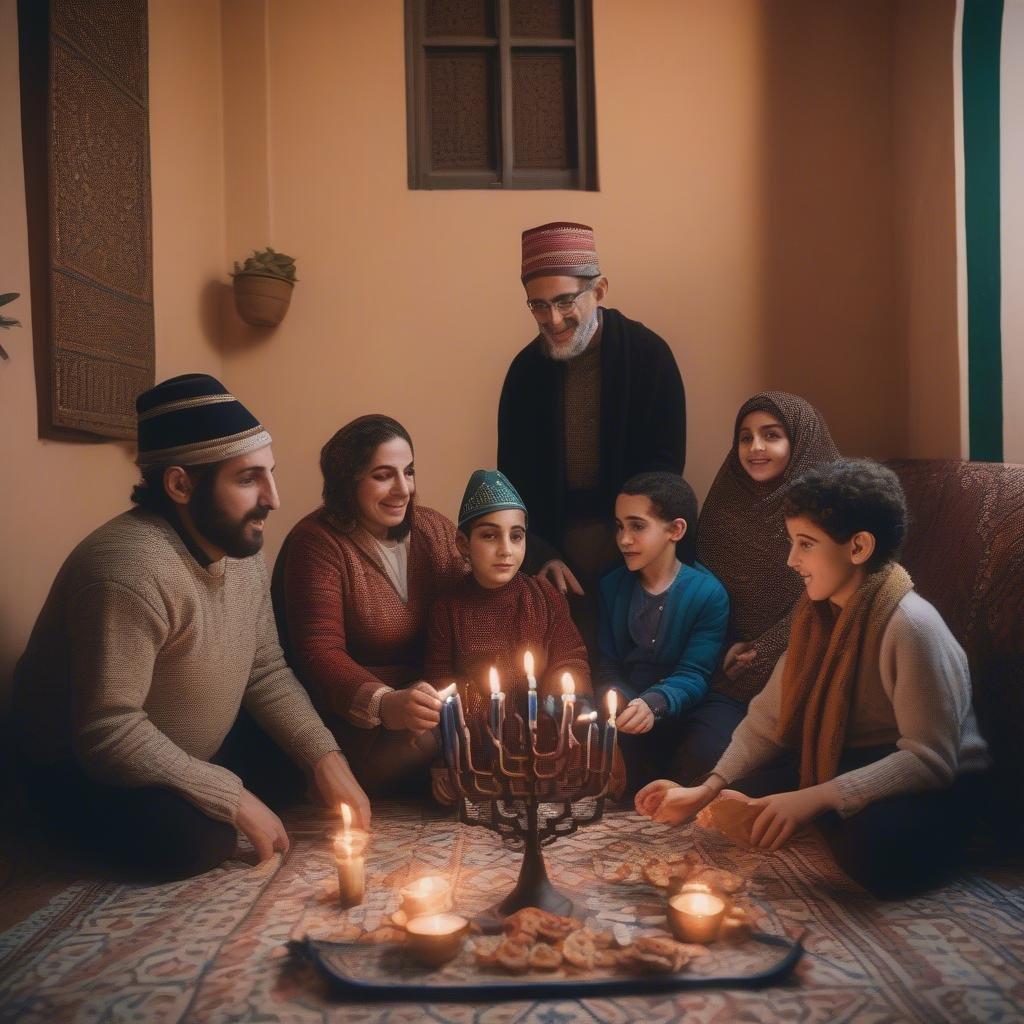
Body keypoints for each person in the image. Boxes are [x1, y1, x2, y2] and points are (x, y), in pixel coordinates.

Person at [12, 374, 369, 880]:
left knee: (319, 756)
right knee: (193, 841)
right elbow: (107, 731)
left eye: (271, 474)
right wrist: (233, 798)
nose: (274, 498)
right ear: (180, 485)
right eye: (248, 480)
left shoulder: (242, 544)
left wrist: (325, 758)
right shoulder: (126, 568)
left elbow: (264, 670)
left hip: (193, 746)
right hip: (88, 773)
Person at [637, 460, 991, 898]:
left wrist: (814, 798)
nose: (792, 560)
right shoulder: (816, 616)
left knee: (875, 854)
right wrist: (706, 788)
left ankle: (831, 816)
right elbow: (769, 718)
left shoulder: (911, 624)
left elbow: (930, 760)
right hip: (848, 755)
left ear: (858, 547)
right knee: (730, 799)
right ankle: (822, 810)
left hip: (935, 781)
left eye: (805, 544)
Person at [498, 222, 686, 649]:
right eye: (538, 305)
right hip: (553, 541)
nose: (553, 318)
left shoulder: (648, 356)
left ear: (599, 290)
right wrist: (541, 553)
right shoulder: (525, 372)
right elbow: (512, 481)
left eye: (565, 301)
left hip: (637, 536)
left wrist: (631, 541)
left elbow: (666, 470)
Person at [274, 415, 464, 795]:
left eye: (408, 472)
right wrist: (387, 704)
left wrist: (542, 562)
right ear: (349, 480)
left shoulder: (433, 529)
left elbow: (478, 588)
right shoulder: (317, 543)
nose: (402, 489)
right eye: (383, 475)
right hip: (358, 724)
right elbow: (319, 653)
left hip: (431, 702)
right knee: (454, 735)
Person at [692, 391, 839, 773]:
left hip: (807, 668)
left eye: (771, 435)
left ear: (800, 440)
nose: (756, 447)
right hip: (732, 674)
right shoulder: (725, 504)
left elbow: (829, 594)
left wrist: (767, 648)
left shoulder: (832, 507)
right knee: (699, 762)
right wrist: (728, 643)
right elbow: (704, 588)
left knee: (776, 773)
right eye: (746, 437)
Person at [594, 473, 729, 793]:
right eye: (619, 526)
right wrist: (625, 703)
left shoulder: (707, 593)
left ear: (675, 530)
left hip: (681, 705)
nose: (624, 539)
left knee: (708, 750)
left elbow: (695, 673)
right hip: (628, 704)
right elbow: (607, 664)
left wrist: (655, 703)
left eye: (637, 526)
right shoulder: (611, 586)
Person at [424, 469, 592, 721]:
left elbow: (571, 656)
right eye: (490, 536)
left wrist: (555, 699)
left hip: (545, 727)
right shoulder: (448, 608)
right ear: (463, 543)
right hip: (478, 734)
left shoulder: (544, 596)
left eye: (516, 536)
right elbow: (440, 681)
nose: (505, 550)